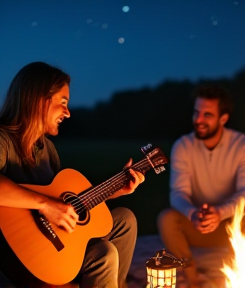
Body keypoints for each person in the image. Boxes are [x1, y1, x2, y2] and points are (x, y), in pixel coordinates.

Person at [0, 61, 145, 288]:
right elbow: (51, 204)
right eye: (63, 102)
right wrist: (45, 205)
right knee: (102, 252)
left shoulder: (47, 149)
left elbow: (65, 204)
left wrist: (111, 192)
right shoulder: (3, 140)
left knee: (125, 219)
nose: (67, 113)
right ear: (38, 99)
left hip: (53, 241)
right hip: (19, 254)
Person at [157, 84, 245, 287]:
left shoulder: (243, 145)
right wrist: (192, 213)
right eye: (196, 113)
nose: (198, 120)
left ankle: (241, 272)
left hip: (230, 225)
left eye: (207, 115)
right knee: (166, 218)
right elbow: (178, 193)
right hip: (196, 223)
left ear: (223, 118)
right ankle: (192, 277)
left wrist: (220, 213)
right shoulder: (183, 146)